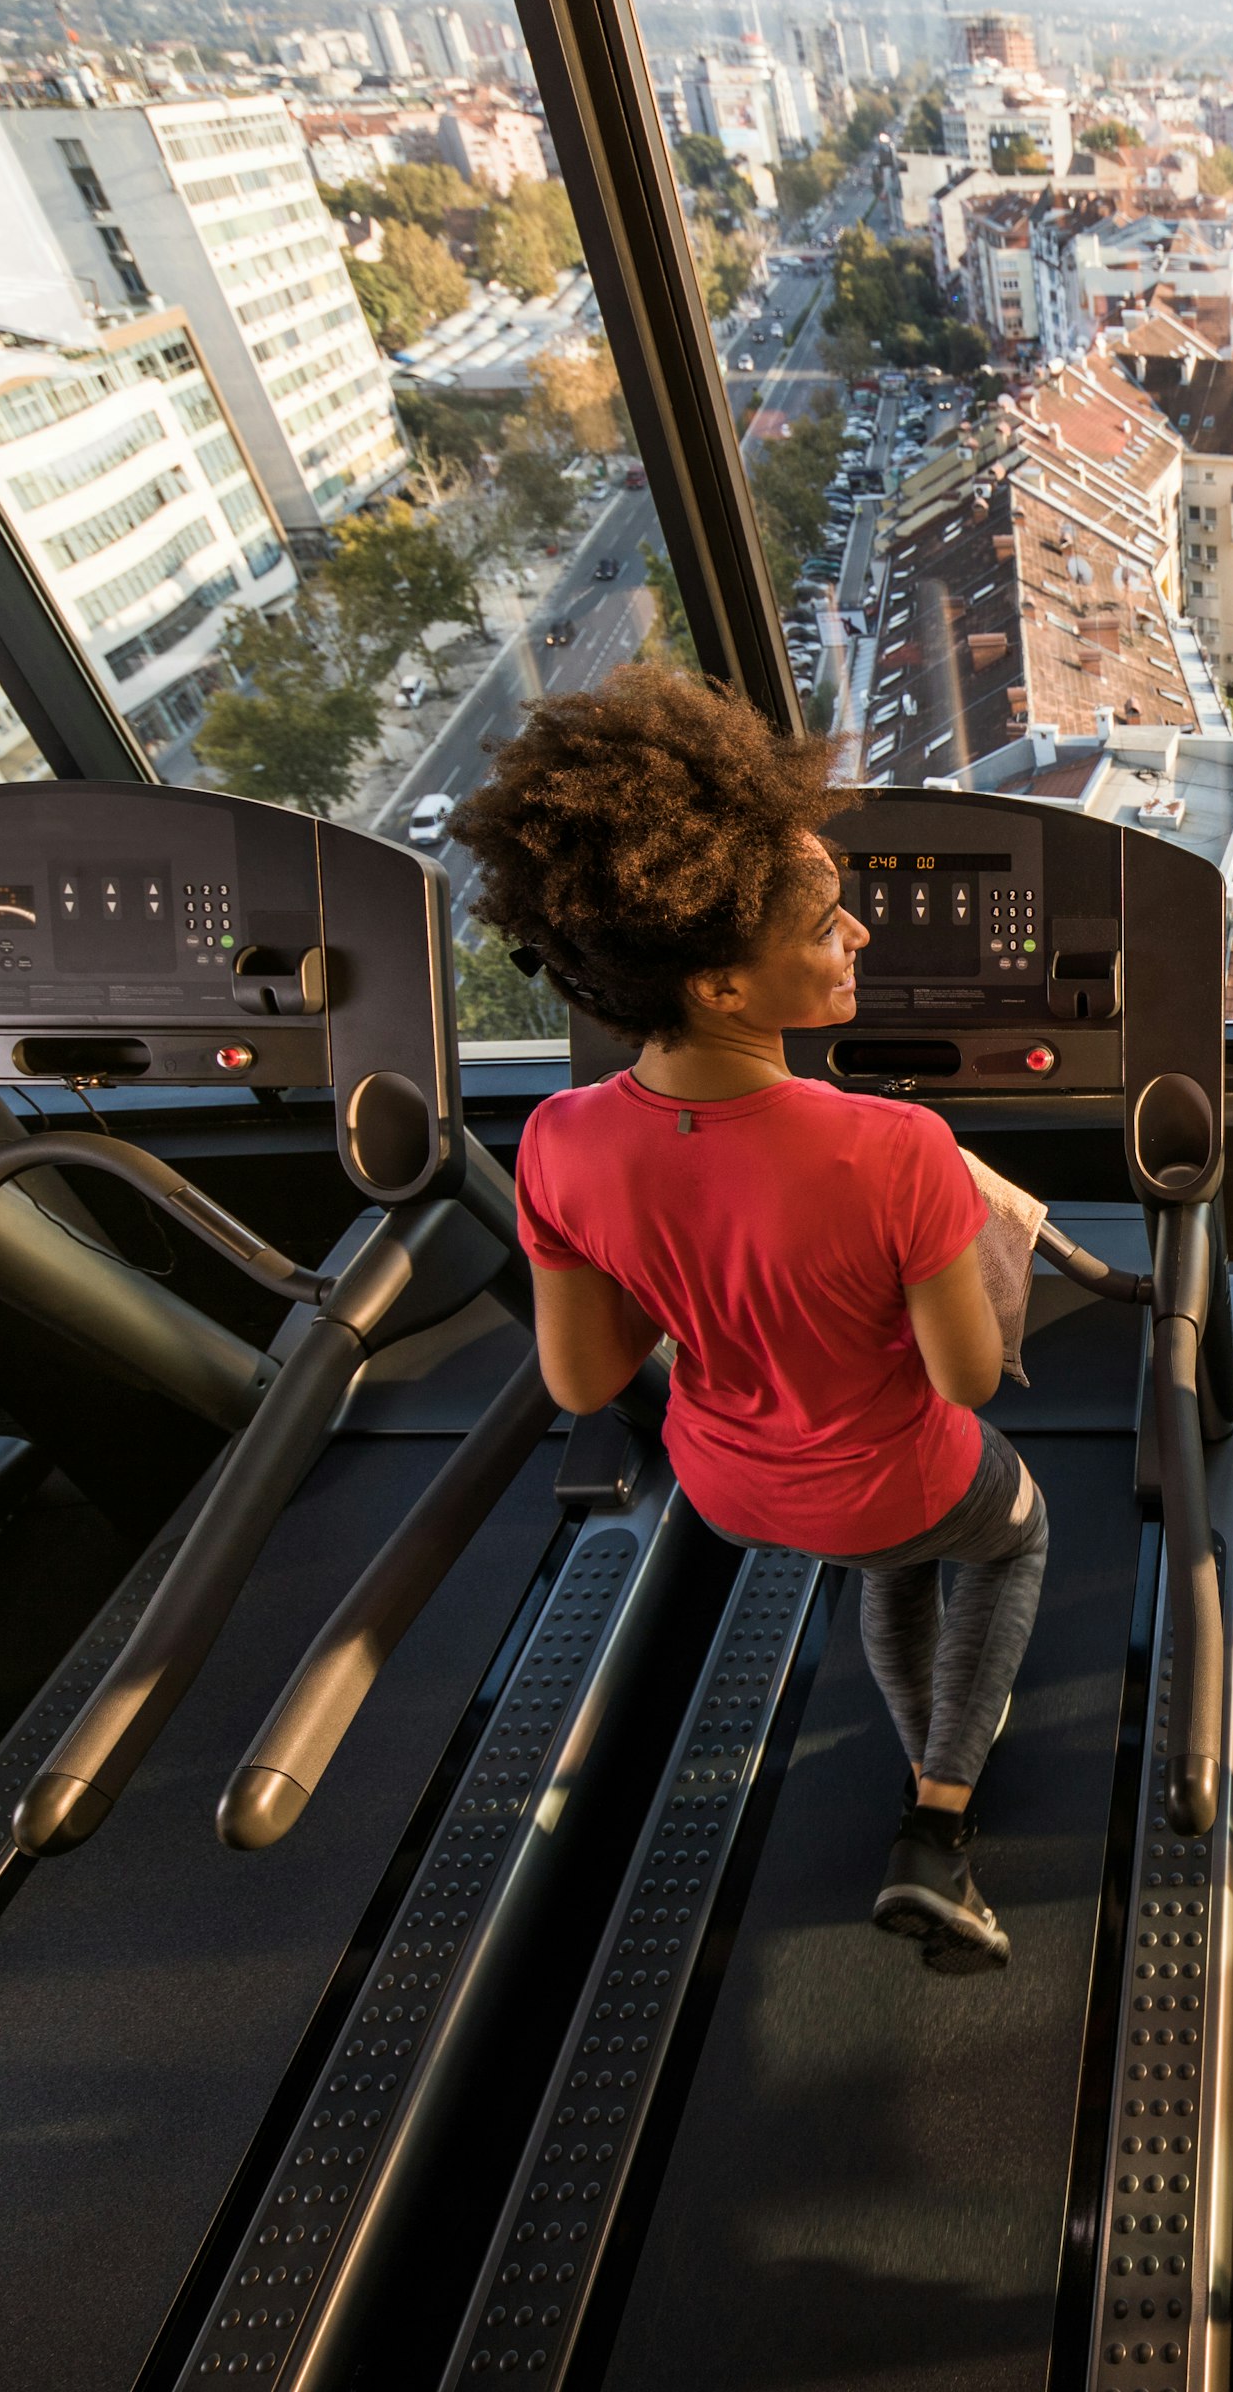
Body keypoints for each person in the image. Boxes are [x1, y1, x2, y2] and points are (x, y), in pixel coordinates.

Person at [454, 669, 1041, 1975]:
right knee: (1007, 1536)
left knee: (884, 1562)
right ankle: (937, 1819)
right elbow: (972, 1377)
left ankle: (911, 1732)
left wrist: (725, 1284)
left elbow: (588, 1370)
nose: (860, 941)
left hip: (730, 1492)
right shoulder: (897, 1146)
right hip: (897, 1471)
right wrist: (969, 1258)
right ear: (723, 984)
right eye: (830, 924)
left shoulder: (554, 1139)